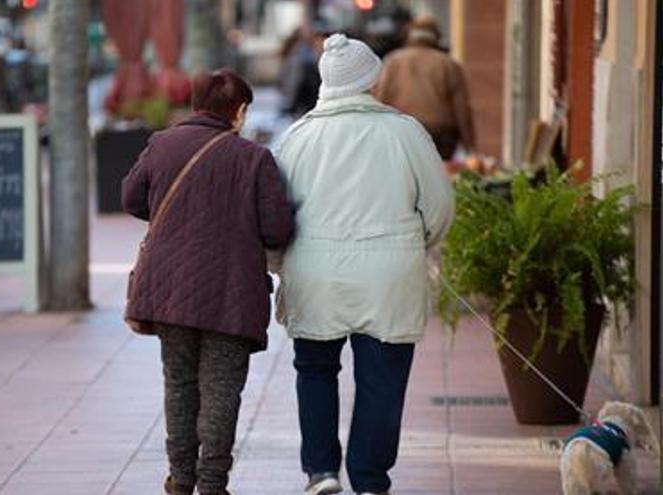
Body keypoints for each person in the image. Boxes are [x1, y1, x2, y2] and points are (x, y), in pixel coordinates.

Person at [274, 34, 454, 495]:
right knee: (382, 380)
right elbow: (439, 206)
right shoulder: (406, 132)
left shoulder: (297, 137)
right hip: (389, 277)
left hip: (314, 274)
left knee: (315, 370)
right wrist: (416, 244)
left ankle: (321, 471)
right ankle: (370, 479)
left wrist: (280, 265)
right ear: (371, 82)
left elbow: (274, 214)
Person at [122, 69, 294, 495]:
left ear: (196, 104)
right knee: (221, 387)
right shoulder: (254, 158)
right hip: (231, 291)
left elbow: (130, 198)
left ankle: (181, 477)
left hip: (170, 288)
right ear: (238, 111)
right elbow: (277, 230)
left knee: (179, 381)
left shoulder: (162, 144)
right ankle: (213, 482)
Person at [374, 16, 475, 160]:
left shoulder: (392, 62)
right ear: (436, 38)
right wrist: (470, 148)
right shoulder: (448, 64)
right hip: (441, 137)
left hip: (403, 134)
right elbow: (461, 108)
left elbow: (380, 100)